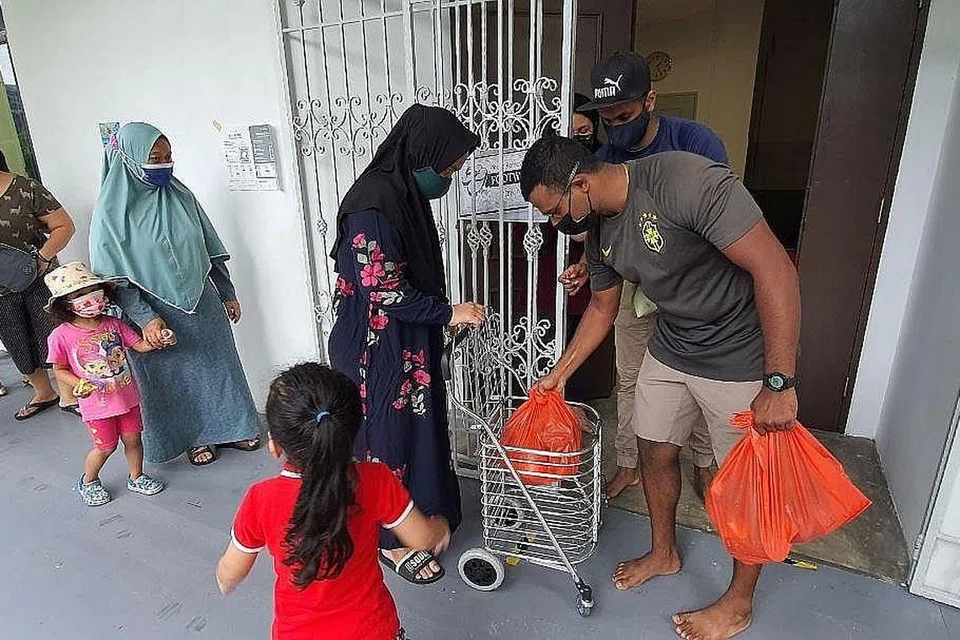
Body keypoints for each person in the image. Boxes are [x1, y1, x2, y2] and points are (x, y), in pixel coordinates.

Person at [520, 136, 800, 640]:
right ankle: (664, 552)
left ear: (580, 183)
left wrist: (779, 381)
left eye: (556, 211)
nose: (555, 224)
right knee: (653, 449)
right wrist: (558, 374)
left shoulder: (685, 182)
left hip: (737, 354)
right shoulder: (600, 227)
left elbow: (774, 268)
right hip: (672, 346)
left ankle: (738, 603)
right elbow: (603, 308)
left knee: (746, 482)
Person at [562, 51, 730, 500]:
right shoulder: (603, 160)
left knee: (699, 380)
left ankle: (703, 462)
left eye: (625, 115)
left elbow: (721, 220)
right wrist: (586, 263)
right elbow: (602, 234)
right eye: (608, 119)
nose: (616, 127)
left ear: (650, 100)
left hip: (696, 290)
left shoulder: (695, 143)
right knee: (631, 377)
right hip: (633, 286)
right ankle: (630, 463)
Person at [328, 104, 484, 585]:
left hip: (405, 344)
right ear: (420, 156)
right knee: (388, 439)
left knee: (419, 431)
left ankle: (425, 516)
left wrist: (440, 316)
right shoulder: (372, 205)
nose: (448, 179)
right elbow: (383, 288)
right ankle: (392, 542)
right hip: (376, 351)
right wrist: (448, 311)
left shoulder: (402, 199)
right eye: (447, 169)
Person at [217, 363, 451, 640]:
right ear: (352, 432)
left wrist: (224, 582)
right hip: (373, 630)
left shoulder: (261, 499)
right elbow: (423, 539)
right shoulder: (376, 480)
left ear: (275, 445)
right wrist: (441, 527)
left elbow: (229, 573)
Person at [89, 122, 261, 466]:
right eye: (154, 158)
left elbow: (209, 248)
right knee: (175, 379)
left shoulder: (181, 197)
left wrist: (227, 292)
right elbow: (115, 280)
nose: (164, 164)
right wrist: (146, 318)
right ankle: (195, 439)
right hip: (152, 313)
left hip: (203, 302)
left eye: (168, 157)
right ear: (129, 159)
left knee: (219, 367)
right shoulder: (110, 217)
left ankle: (233, 427)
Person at [45, 262, 167, 506]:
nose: (89, 299)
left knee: (134, 440)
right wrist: (77, 383)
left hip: (128, 399)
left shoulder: (115, 324)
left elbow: (139, 346)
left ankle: (136, 476)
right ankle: (89, 480)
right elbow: (59, 369)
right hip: (97, 407)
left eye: (92, 290)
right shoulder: (60, 336)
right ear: (66, 304)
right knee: (105, 447)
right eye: (78, 295)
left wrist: (157, 340)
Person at [0, 151, 81, 420]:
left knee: (54, 336)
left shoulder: (25, 189)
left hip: (39, 278)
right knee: (16, 342)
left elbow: (63, 226)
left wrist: (42, 258)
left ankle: (69, 395)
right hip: (1, 291)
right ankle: (44, 392)